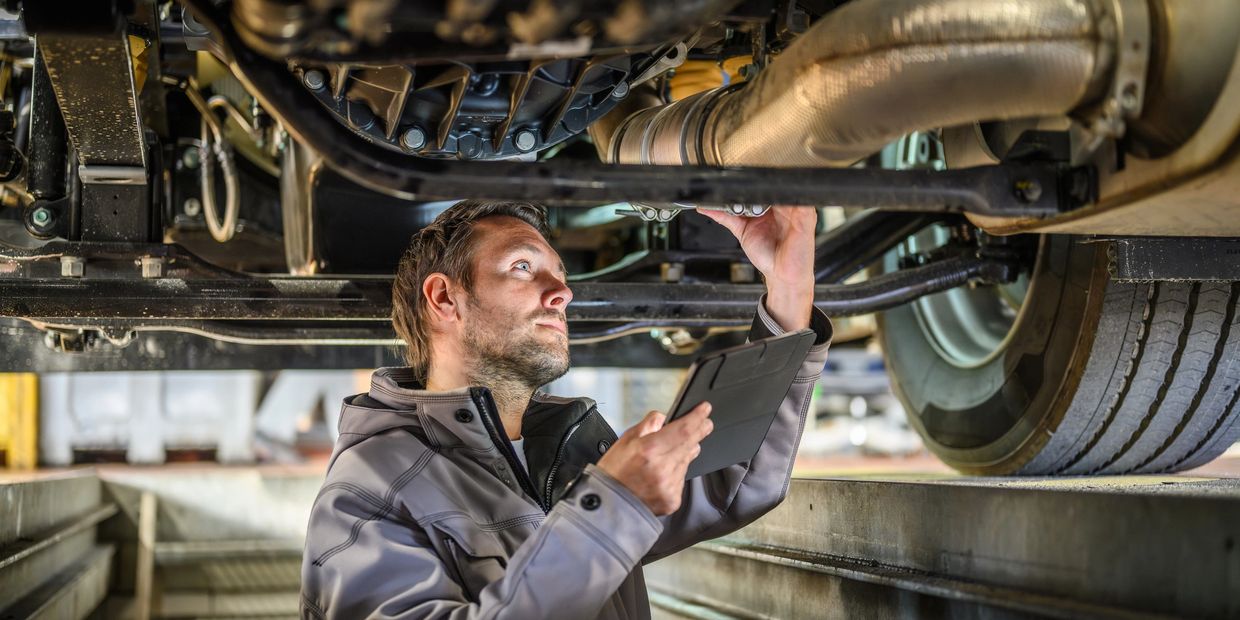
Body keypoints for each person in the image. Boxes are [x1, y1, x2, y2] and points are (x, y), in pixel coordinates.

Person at [300, 200, 832, 619]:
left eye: (558, 272)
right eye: (523, 266)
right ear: (443, 299)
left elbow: (729, 482)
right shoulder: (370, 487)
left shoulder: (567, 451)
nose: (562, 292)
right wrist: (613, 507)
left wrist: (788, 288)